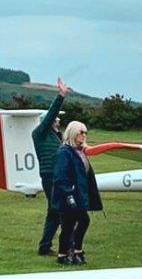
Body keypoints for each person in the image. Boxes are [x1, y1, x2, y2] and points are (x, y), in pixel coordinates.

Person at [52, 120, 103, 266]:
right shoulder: (65, 152)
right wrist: (68, 194)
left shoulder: (80, 151)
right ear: (73, 133)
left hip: (78, 194)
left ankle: (70, 253)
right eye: (81, 132)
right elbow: (60, 176)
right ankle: (70, 253)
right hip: (68, 195)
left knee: (76, 223)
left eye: (85, 132)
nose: (84, 135)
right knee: (73, 223)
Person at [31, 78, 70, 255]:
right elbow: (50, 114)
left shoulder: (55, 137)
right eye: (55, 120)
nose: (58, 122)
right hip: (50, 176)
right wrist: (61, 95)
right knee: (62, 210)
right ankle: (69, 246)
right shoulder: (40, 133)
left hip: (56, 175)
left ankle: (45, 246)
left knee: (54, 211)